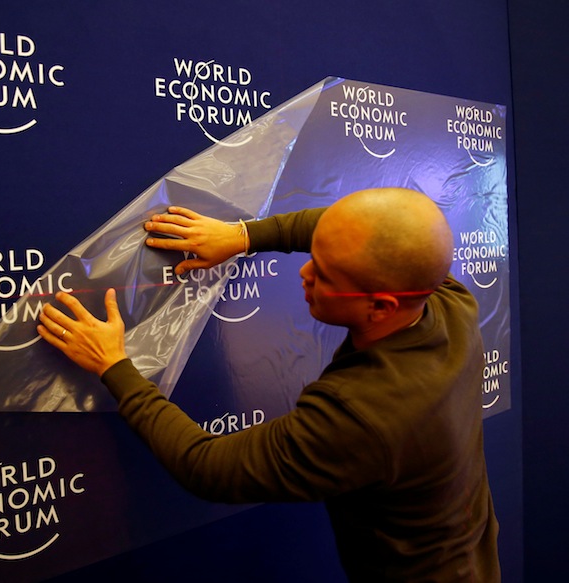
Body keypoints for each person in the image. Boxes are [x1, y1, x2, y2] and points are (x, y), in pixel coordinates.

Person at [36, 187, 501, 582]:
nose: (305, 272)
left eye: (324, 274)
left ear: (379, 306)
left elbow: (209, 466)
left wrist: (114, 365)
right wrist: (241, 236)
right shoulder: (443, 295)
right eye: (313, 256)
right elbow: (351, 230)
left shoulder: (363, 414)